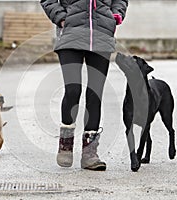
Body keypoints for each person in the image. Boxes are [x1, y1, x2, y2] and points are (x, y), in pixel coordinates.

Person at [40, 0, 128, 171]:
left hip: (101, 33)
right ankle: (66, 143)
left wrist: (115, 16)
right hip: (70, 34)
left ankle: (90, 153)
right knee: (73, 89)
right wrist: (62, 18)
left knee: (95, 94)